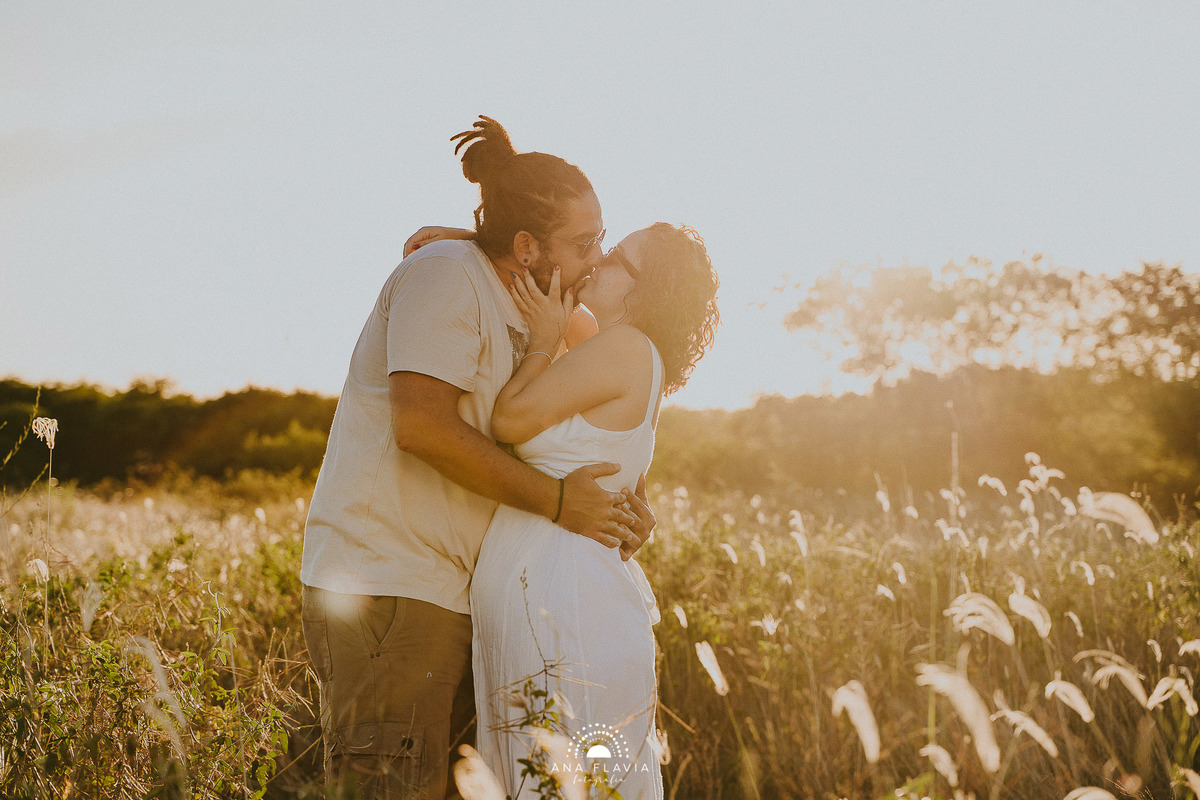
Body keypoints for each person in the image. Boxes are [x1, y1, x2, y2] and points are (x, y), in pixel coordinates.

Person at [299, 117, 651, 800]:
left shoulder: (537, 297)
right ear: (526, 245)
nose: (595, 261)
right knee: (387, 789)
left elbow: (612, 368)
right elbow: (422, 429)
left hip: (466, 600)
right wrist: (557, 504)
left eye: (601, 242)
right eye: (584, 244)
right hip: (392, 587)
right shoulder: (443, 280)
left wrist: (631, 504)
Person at [418, 222, 719, 798]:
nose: (598, 260)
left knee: (563, 768)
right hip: (553, 577)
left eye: (618, 259)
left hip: (562, 588)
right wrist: (472, 240)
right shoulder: (616, 343)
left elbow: (508, 421)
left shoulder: (624, 347)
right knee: (557, 768)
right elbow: (547, 281)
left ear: (645, 290)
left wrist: (538, 342)